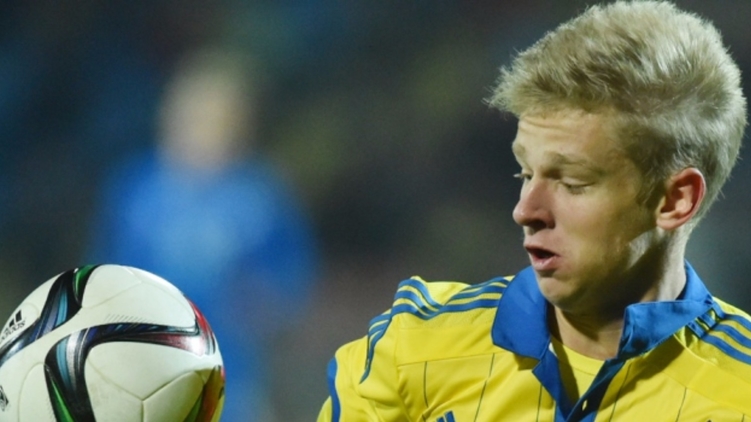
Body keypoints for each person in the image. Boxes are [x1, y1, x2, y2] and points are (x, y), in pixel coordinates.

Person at [317, 1, 751, 420]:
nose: (525, 210)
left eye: (573, 182)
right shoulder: (409, 353)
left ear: (675, 200)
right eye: (525, 173)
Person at [86, 47, 319, 421]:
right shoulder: (135, 191)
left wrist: (264, 305)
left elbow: (291, 281)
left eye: (216, 121)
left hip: (231, 379)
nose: (201, 133)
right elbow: (103, 280)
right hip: (145, 377)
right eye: (191, 119)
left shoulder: (259, 197)